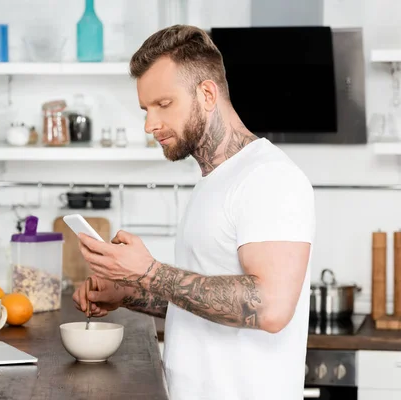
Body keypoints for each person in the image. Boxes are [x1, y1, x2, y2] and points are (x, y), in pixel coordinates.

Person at [72, 24, 315, 400]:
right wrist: (127, 293)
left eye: (163, 104)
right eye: (146, 109)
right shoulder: (213, 180)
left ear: (206, 93)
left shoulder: (269, 176)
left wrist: (148, 272)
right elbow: (203, 303)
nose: (150, 124)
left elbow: (271, 306)